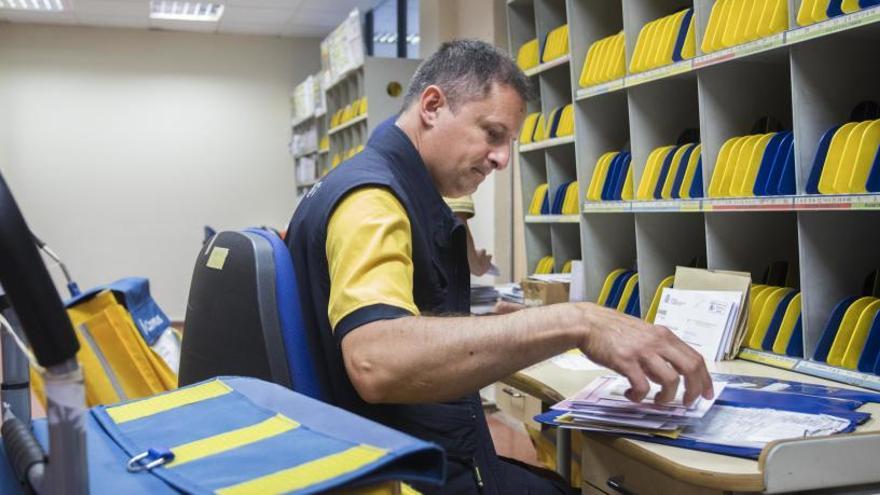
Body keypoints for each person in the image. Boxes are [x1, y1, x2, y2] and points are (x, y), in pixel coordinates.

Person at [286, 39, 713, 494]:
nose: (503, 159)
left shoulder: (365, 182)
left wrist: (494, 330)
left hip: (402, 455)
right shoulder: (374, 203)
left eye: (509, 142)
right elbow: (377, 360)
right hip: (409, 475)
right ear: (432, 105)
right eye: (492, 133)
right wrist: (575, 320)